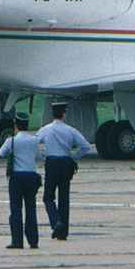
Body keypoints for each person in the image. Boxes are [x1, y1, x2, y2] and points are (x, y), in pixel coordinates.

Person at [36, 103, 91, 240]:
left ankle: (56, 221)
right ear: (64, 114)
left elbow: (32, 144)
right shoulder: (70, 130)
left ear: (52, 114)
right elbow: (85, 146)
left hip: (52, 163)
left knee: (48, 196)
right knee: (64, 198)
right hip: (66, 163)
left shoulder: (46, 129)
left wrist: (40, 157)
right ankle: (63, 233)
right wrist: (73, 158)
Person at [0, 113, 43, 249]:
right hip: (31, 176)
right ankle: (33, 240)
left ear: (15, 126)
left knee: (16, 210)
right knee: (31, 209)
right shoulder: (34, 140)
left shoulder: (12, 141)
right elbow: (37, 156)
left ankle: (17, 241)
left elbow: (1, 153)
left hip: (16, 177)